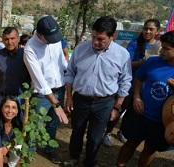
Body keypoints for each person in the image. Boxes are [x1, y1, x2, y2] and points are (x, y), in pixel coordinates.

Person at [65, 16, 132, 167]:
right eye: (93, 37)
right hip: (80, 99)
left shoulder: (122, 55)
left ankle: (89, 161)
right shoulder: (80, 49)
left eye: (101, 39)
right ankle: (74, 157)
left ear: (112, 35)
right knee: (77, 131)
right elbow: (70, 73)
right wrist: (69, 96)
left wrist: (117, 106)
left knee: (95, 136)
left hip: (105, 102)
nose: (95, 42)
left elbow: (125, 82)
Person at [116, 30, 174, 167]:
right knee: (130, 143)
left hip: (161, 121)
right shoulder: (153, 62)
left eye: (166, 49)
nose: (161, 51)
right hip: (141, 114)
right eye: (162, 46)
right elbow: (139, 79)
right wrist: (136, 97)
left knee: (150, 149)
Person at [103, 19, 161, 147]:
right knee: (119, 108)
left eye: (151, 29)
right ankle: (107, 132)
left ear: (158, 31)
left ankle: (122, 131)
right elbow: (126, 64)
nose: (147, 31)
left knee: (131, 112)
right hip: (130, 84)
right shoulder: (135, 44)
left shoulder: (160, 46)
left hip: (146, 88)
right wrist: (144, 62)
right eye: (146, 28)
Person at [23, 15, 69, 164]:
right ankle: (29, 151)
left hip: (59, 89)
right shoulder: (30, 49)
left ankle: (50, 148)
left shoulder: (54, 40)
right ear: (40, 34)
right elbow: (40, 82)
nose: (53, 41)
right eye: (49, 38)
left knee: (54, 123)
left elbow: (62, 62)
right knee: (36, 123)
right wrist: (56, 104)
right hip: (42, 95)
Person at [0, 27, 31, 112]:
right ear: (3, 40)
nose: (10, 42)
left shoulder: (25, 55)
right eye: (6, 39)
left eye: (12, 38)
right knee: (1, 123)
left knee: (20, 123)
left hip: (20, 98)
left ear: (18, 39)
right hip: (1, 98)